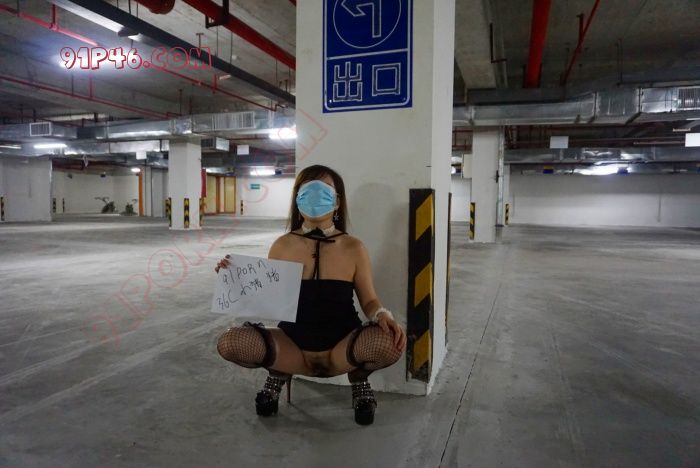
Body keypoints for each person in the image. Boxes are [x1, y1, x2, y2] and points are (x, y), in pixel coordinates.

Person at [214, 164, 407, 425]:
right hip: (292, 345)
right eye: (308, 190)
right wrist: (233, 278)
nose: (316, 196)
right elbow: (270, 298)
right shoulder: (282, 246)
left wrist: (383, 315)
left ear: (337, 202)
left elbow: (369, 300)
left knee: (389, 343)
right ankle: (278, 372)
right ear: (297, 199)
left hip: (343, 347)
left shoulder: (354, 247)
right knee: (230, 342)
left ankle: (359, 378)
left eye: (324, 189)